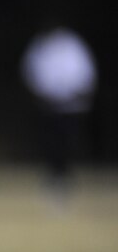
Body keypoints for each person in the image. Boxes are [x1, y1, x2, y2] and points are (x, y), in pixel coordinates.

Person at [21, 23, 97, 198]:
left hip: (71, 105)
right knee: (50, 142)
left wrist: (75, 92)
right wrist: (44, 93)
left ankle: (65, 176)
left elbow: (84, 72)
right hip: (49, 105)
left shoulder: (73, 45)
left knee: (68, 141)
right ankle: (52, 175)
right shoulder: (41, 46)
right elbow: (32, 71)